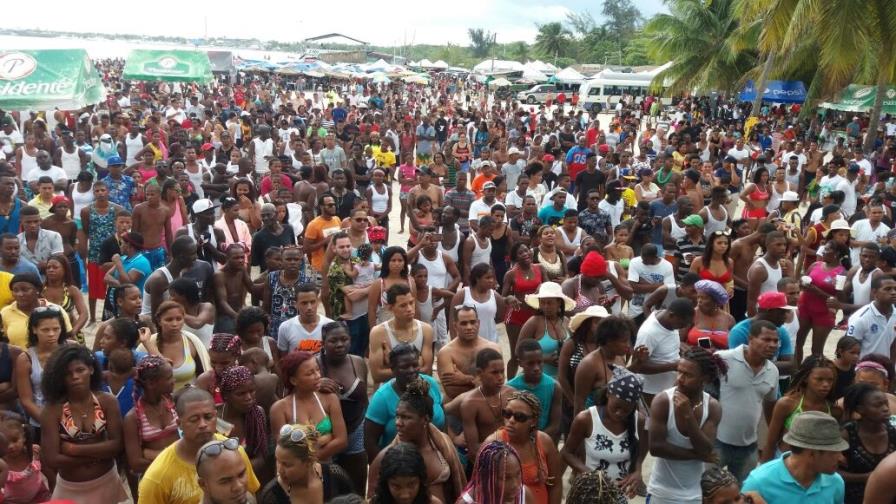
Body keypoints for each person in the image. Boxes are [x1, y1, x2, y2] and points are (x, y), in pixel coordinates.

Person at [138, 388, 260, 504]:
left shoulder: (234, 453)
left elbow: (250, 494)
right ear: (179, 424)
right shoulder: (157, 476)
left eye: (208, 417)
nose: (202, 424)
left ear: (216, 417)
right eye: (194, 419)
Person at [40, 344, 127, 501]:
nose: (75, 376)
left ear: (91, 370)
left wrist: (74, 449)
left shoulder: (107, 401)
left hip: (106, 480)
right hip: (71, 487)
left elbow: (117, 445)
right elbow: (52, 458)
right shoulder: (52, 410)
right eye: (68, 373)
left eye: (80, 370)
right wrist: (98, 455)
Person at [367, 379, 466, 504]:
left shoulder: (443, 445)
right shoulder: (385, 458)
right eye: (397, 416)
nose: (398, 423)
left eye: (406, 417)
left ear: (425, 419)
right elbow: (374, 499)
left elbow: (456, 487)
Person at [646, 347, 725, 504]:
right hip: (661, 492)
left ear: (705, 379)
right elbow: (656, 448)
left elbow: (705, 448)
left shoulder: (713, 407)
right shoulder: (662, 401)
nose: (680, 379)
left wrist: (688, 416)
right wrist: (696, 456)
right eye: (679, 371)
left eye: (688, 375)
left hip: (694, 493)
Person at [562, 369, 647, 499]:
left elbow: (640, 453)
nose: (619, 413)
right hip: (590, 494)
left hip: (618, 495)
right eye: (616, 407)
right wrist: (595, 478)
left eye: (626, 410)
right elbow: (566, 453)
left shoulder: (638, 421)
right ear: (608, 393)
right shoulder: (586, 419)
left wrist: (637, 472)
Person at [715, 320, 780, 483]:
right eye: (766, 339)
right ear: (750, 338)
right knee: (706, 491)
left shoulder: (773, 371)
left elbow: (770, 407)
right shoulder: (723, 360)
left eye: (775, 341)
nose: (773, 345)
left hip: (749, 447)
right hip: (716, 443)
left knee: (742, 492)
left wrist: (768, 443)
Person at [742, 411, 846, 502]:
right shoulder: (759, 482)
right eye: (834, 452)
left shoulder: (835, 483)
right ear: (812, 454)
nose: (841, 458)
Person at [482, 390, 564, 504]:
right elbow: (483, 488)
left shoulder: (544, 441)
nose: (511, 421)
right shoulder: (493, 445)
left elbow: (555, 485)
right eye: (507, 414)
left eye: (520, 417)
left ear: (533, 421)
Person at [365, 343, 445, 459]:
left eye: (415, 365)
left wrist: (445, 446)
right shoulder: (382, 398)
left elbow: (443, 415)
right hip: (399, 464)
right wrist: (386, 468)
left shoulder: (430, 384)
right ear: (393, 369)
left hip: (436, 457)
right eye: (405, 367)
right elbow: (369, 441)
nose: (411, 370)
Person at [316, 321, 369, 490]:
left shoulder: (358, 362)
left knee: (357, 484)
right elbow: (300, 397)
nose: (340, 344)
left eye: (344, 339)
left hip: (356, 429)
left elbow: (364, 399)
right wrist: (316, 385)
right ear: (323, 343)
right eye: (333, 341)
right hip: (326, 433)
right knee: (329, 486)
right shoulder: (314, 366)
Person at [762, 355, 841, 463]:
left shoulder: (833, 410)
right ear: (806, 379)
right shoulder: (787, 404)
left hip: (815, 467)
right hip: (783, 463)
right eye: (819, 379)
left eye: (830, 380)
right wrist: (764, 470)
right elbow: (771, 443)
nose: (826, 384)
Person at [257, 423, 355, 504]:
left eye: (287, 465)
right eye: (278, 461)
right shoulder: (271, 496)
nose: (280, 470)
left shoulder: (335, 476)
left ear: (308, 462)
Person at [14, 308, 69, 437]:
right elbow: (26, 400)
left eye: (56, 329)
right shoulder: (25, 359)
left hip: (74, 418)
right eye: (45, 330)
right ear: (34, 330)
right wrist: (48, 423)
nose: (51, 334)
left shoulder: (72, 350)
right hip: (40, 421)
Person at [629, 298, 695, 404]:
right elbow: (638, 367)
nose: (684, 327)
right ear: (671, 315)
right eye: (682, 324)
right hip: (652, 392)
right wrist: (674, 366)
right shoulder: (649, 333)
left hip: (671, 387)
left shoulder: (670, 322)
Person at [839, 382, 896, 503]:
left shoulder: (893, 432)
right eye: (878, 405)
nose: (886, 409)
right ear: (861, 409)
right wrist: (864, 477)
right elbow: (830, 471)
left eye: (886, 403)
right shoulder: (847, 434)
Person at [122, 354, 179, 474]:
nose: (174, 381)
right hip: (155, 480)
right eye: (169, 378)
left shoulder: (176, 404)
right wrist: (177, 459)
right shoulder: (133, 418)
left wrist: (151, 454)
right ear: (151, 384)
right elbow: (136, 464)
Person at [369, 283, 434, 385]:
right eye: (403, 305)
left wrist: (393, 364)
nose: (409, 309)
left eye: (411, 303)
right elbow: (377, 375)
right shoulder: (378, 333)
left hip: (417, 391)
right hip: (390, 391)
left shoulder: (426, 329)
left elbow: (427, 370)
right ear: (390, 308)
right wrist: (417, 363)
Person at [138, 300, 210, 392]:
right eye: (169, 320)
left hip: (188, 401)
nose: (175, 324)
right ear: (159, 321)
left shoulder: (191, 341)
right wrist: (148, 345)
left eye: (179, 319)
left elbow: (204, 372)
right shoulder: (146, 344)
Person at [436, 304, 500, 401]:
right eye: (464, 323)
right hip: (456, 407)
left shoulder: (492, 348)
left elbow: (497, 384)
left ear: (478, 323)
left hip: (486, 405)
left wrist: (465, 379)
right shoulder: (446, 353)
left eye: (472, 322)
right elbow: (452, 391)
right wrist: (482, 382)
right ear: (455, 326)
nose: (469, 327)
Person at [507, 339, 562, 439]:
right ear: (520, 363)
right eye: (530, 363)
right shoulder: (510, 388)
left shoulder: (554, 386)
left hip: (544, 439)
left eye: (539, 362)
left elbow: (555, 425)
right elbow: (507, 421)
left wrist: (536, 440)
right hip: (517, 439)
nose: (536, 368)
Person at [2, 272, 72, 348]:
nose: (20, 294)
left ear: (37, 290)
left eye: (25, 290)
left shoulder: (55, 310)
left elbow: (68, 337)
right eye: (15, 290)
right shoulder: (5, 313)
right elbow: (4, 342)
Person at [262, 246, 314, 341]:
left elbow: (309, 309)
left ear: (301, 261)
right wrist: (266, 324)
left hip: (297, 327)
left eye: (296, 259)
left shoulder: (306, 281)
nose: (292, 262)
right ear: (282, 260)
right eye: (288, 259)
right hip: (274, 328)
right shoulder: (272, 277)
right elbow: (266, 306)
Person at [459, 441, 534, 504]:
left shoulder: (524, 495)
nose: (515, 485)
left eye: (518, 474)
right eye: (506, 478)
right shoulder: (467, 502)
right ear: (487, 478)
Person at [846, 274, 896, 361]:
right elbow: (850, 349)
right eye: (888, 289)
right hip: (866, 371)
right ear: (874, 292)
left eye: (895, 289)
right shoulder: (860, 318)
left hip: (889, 369)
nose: (893, 292)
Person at [195, 438, 252, 504]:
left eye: (241, 475)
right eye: (226, 481)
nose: (238, 486)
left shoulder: (248, 498)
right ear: (203, 484)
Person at [686, 280, 735, 349]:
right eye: (698, 297)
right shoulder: (691, 314)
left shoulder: (729, 319)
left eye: (704, 298)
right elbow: (679, 342)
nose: (699, 301)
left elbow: (734, 345)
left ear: (716, 301)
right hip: (693, 357)